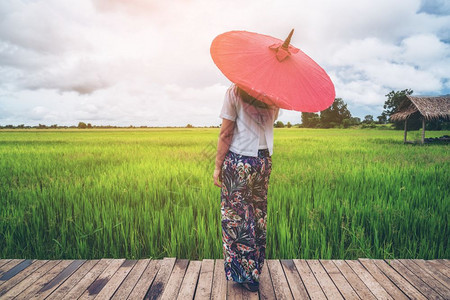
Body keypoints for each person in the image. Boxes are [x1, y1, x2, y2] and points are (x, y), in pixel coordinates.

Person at [213, 83, 279, 292]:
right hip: (263, 161)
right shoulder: (275, 92)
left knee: (236, 218)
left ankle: (245, 275)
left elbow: (225, 133)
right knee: (257, 215)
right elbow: (272, 119)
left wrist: (217, 167)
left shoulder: (234, 92)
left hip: (239, 161)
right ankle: (255, 271)